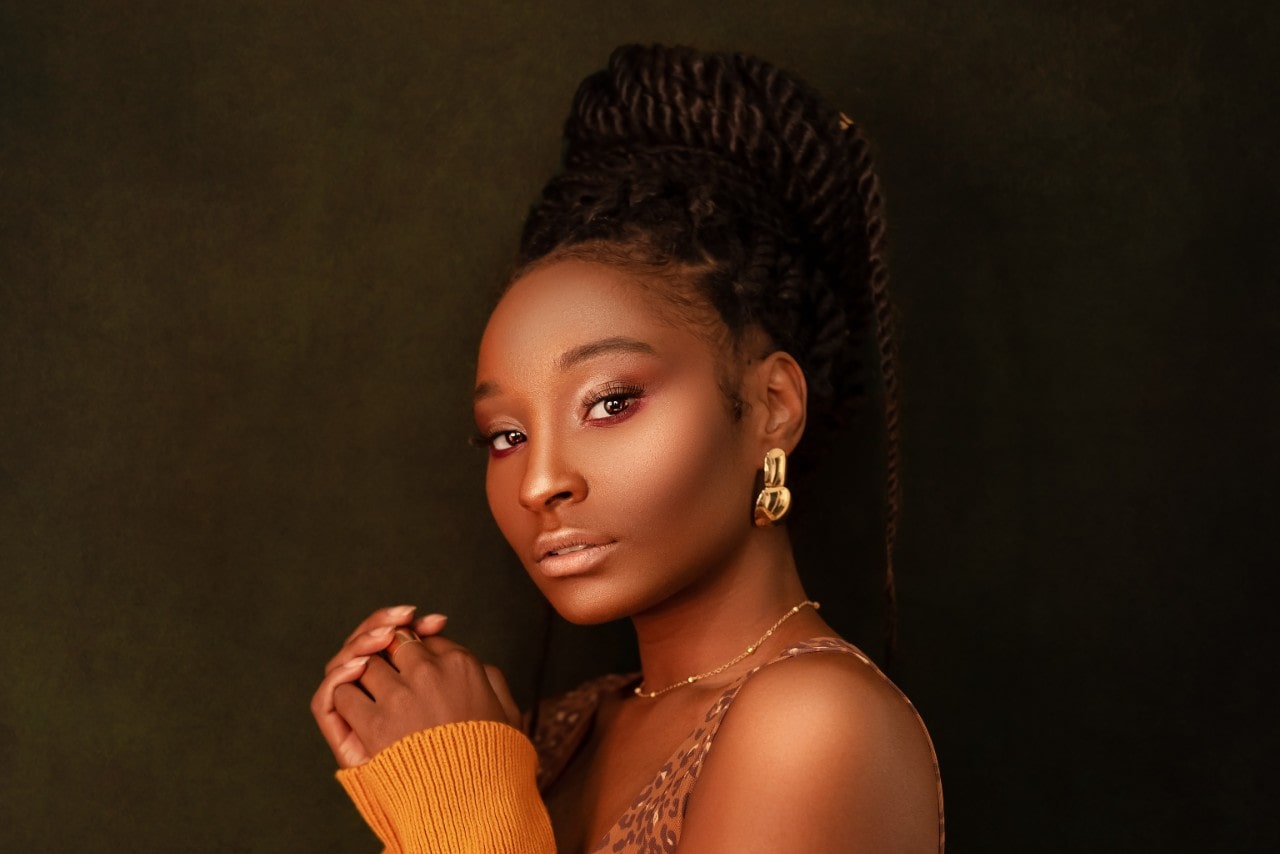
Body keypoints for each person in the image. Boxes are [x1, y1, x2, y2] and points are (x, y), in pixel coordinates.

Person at [311, 44, 944, 853]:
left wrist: (462, 798)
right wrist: (434, 778)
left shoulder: (815, 721)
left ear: (772, 407)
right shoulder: (567, 728)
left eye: (609, 403)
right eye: (507, 435)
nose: (540, 481)